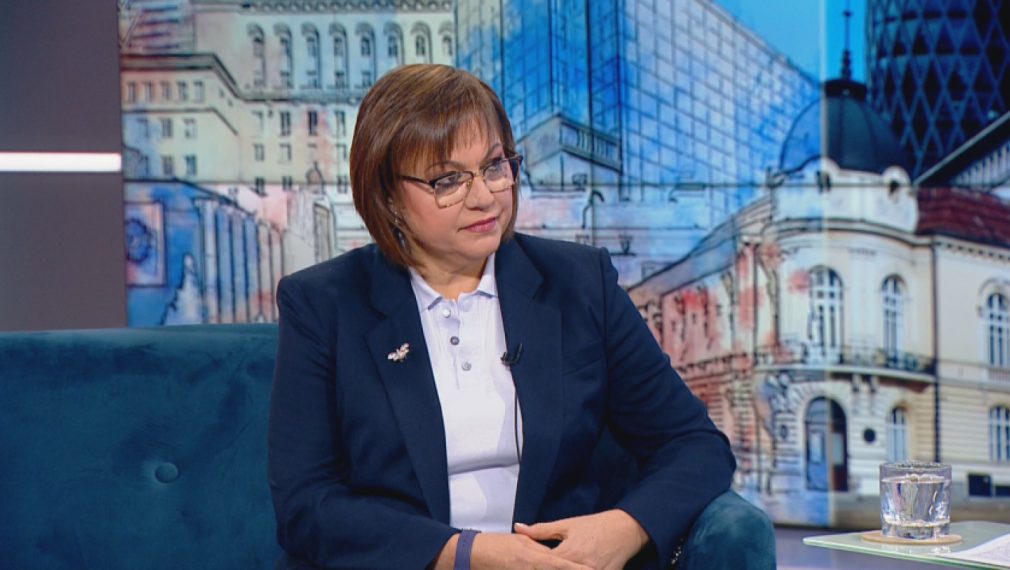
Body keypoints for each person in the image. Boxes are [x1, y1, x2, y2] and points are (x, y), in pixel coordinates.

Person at [268, 63, 774, 570]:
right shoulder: (325, 304)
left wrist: (624, 529)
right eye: (448, 180)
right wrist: (465, 553)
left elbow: (693, 443)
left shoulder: (579, 283)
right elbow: (306, 504)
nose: (484, 197)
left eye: (494, 166)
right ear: (388, 196)